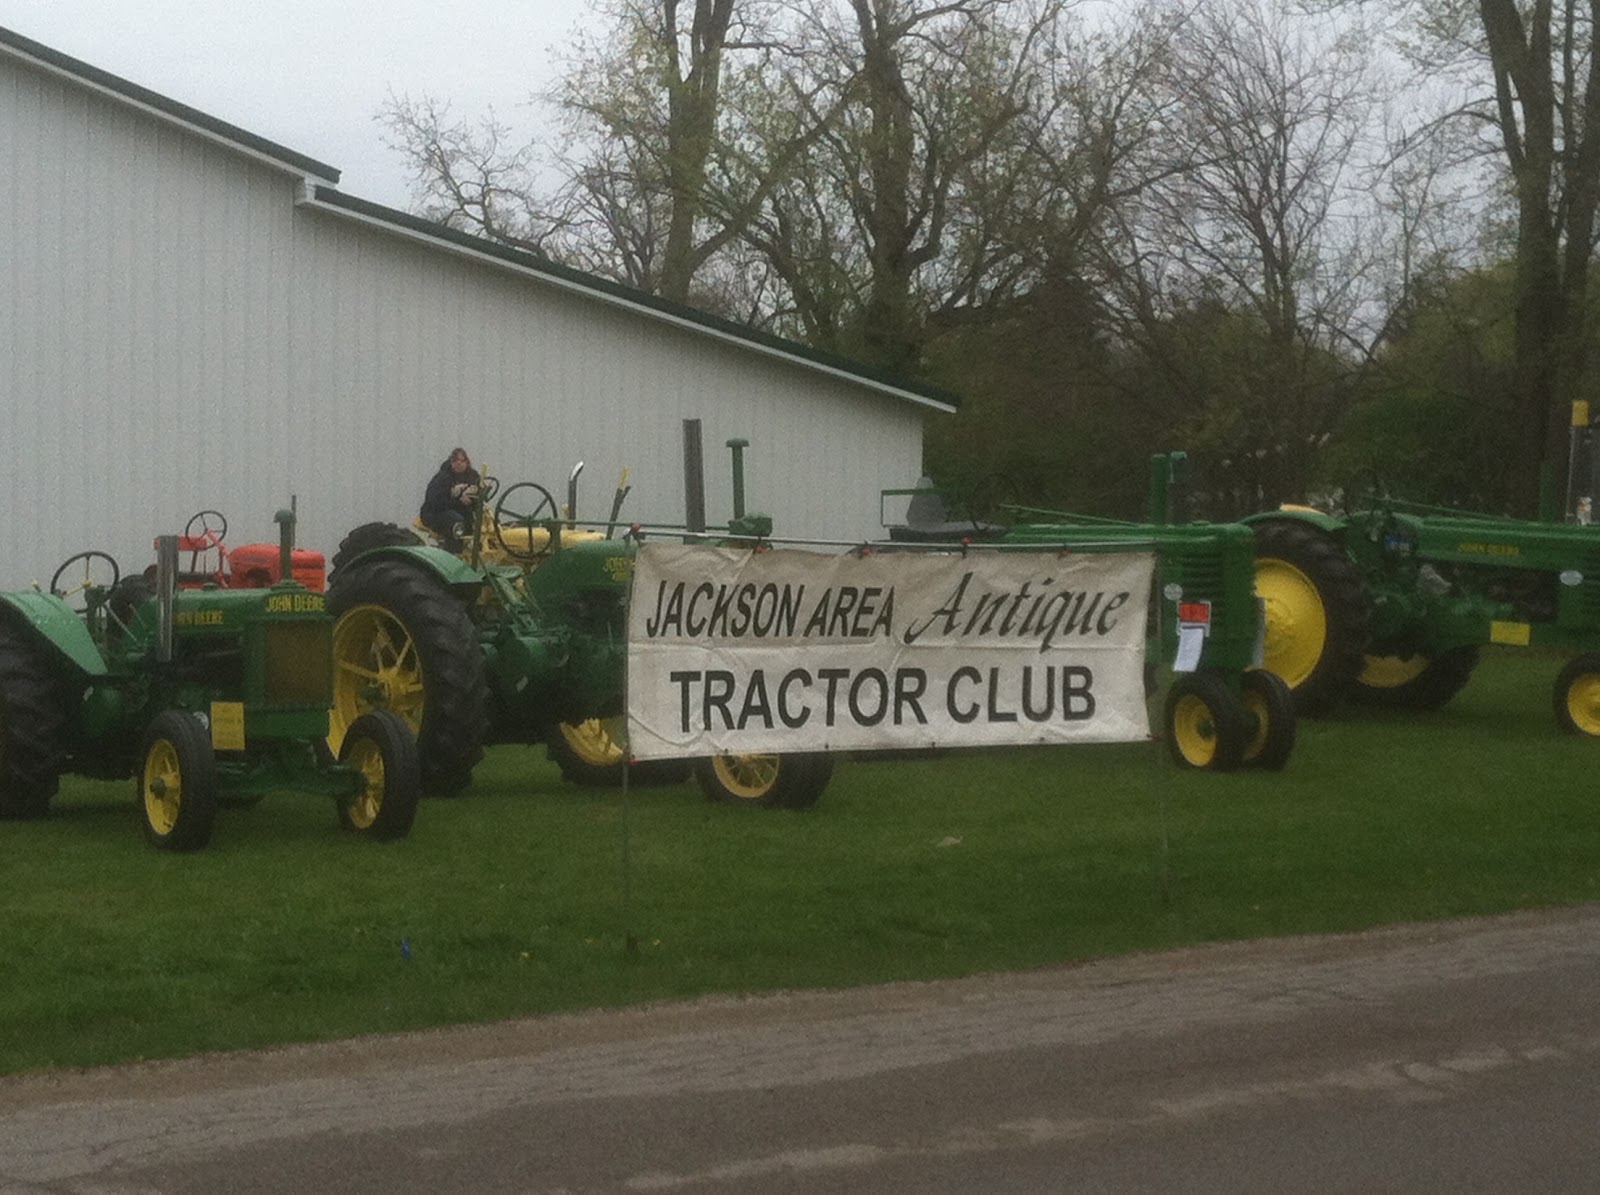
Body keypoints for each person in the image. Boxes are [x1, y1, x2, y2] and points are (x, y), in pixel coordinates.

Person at [420, 447, 481, 551]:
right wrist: (456, 498)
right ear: (451, 462)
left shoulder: (473, 476)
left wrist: (473, 497)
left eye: (462, 461)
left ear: (467, 462)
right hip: (435, 512)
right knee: (455, 521)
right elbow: (435, 503)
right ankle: (453, 552)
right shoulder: (442, 478)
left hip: (461, 510)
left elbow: (479, 496)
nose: (459, 463)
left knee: (482, 522)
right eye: (456, 461)